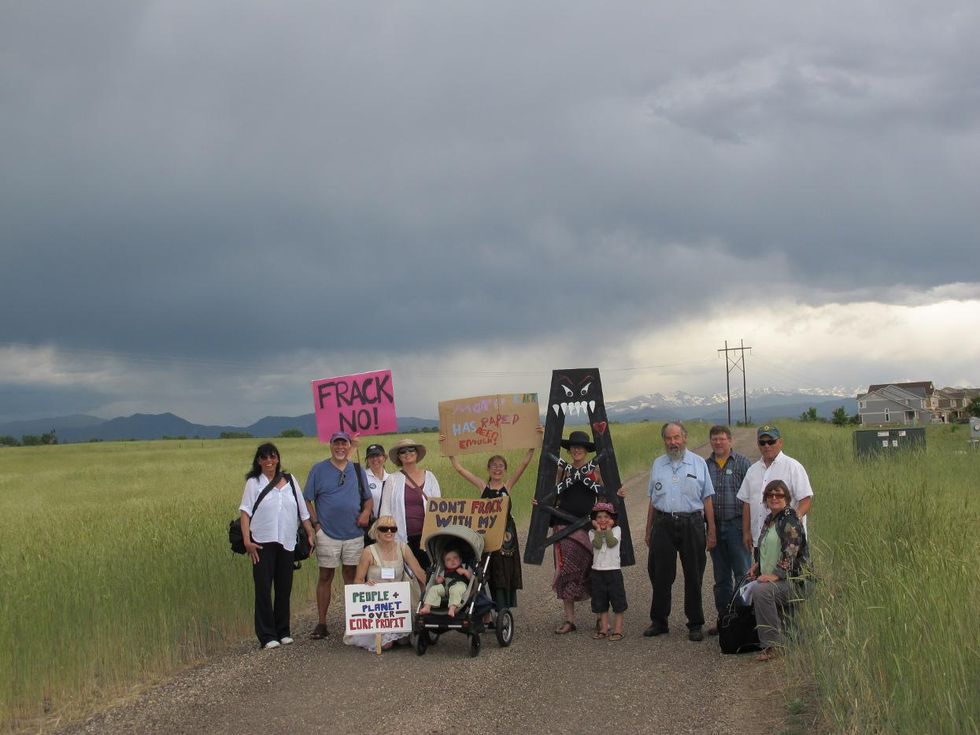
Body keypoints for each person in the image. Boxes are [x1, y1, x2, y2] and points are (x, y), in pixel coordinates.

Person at [543, 430, 625, 635]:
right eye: (573, 447)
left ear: (587, 451)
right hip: (564, 525)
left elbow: (605, 497)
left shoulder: (594, 471)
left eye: (581, 447)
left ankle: (600, 617)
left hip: (589, 526)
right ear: (569, 450)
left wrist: (618, 496)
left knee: (592, 569)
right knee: (564, 570)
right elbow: (551, 493)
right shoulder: (563, 471)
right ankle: (570, 620)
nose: (577, 450)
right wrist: (540, 504)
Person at [644, 421, 716, 642]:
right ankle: (659, 621)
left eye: (676, 437)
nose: (673, 442)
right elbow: (653, 500)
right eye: (668, 438)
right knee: (660, 575)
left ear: (684, 438)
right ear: (664, 440)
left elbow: (707, 498)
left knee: (694, 575)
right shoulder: (658, 464)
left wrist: (711, 530)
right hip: (663, 524)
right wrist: (648, 530)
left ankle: (695, 623)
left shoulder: (698, 463)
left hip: (692, 523)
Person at [238, 442, 315, 649]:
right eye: (264, 458)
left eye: (272, 457)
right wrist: (247, 541)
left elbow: (303, 511)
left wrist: (309, 532)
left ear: (278, 459)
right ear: (259, 461)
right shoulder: (254, 483)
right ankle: (266, 635)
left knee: (284, 587)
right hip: (262, 541)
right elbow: (245, 513)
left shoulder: (290, 480)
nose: (269, 461)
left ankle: (283, 631)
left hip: (287, 540)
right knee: (263, 588)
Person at [446, 441, 538, 611]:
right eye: (494, 466)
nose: (497, 469)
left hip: (506, 536)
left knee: (504, 570)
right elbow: (460, 469)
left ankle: (503, 607)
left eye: (501, 466)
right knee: (486, 569)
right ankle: (485, 607)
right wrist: (451, 453)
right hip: (486, 535)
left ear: (505, 470)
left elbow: (523, 465)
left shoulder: (507, 486)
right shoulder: (483, 486)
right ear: (488, 469)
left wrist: (531, 445)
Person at [304, 431, 372, 639]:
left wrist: (366, 513)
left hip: (353, 533)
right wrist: (316, 525)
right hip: (327, 533)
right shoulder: (319, 469)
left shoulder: (358, 470)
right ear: (330, 445)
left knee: (352, 576)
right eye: (336, 444)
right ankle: (322, 623)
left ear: (349, 446)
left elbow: (368, 499)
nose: (340, 447)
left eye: (344, 444)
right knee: (325, 576)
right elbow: (306, 499)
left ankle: (353, 621)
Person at [746, 480, 810, 661]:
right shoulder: (770, 520)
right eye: (770, 494)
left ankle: (773, 646)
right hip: (782, 579)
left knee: (762, 591)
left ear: (787, 499)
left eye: (779, 495)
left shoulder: (789, 519)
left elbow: (791, 549)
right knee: (756, 585)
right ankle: (788, 638)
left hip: (796, 580)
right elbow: (768, 548)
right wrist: (757, 566)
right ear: (765, 499)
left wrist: (776, 575)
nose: (774, 498)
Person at [345, 515, 428, 651]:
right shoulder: (368, 552)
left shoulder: (403, 548)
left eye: (393, 528)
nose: (389, 532)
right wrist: (364, 587)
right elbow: (358, 579)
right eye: (384, 529)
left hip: (397, 603)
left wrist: (432, 587)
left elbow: (418, 571)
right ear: (377, 531)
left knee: (404, 641)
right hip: (376, 606)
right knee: (385, 644)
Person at [705, 425, 752, 636]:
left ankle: (743, 620)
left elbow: (750, 498)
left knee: (743, 574)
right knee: (721, 578)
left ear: (730, 441)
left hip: (737, 525)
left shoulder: (742, 463)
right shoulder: (705, 465)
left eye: (722, 439)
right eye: (714, 439)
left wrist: (747, 530)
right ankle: (724, 620)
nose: (718, 443)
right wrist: (709, 530)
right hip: (714, 526)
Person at [736, 425, 814, 551]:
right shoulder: (752, 471)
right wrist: (746, 531)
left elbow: (805, 500)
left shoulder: (793, 467)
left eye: (771, 441)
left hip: (787, 542)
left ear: (780, 442)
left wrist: (793, 521)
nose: (767, 446)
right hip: (760, 541)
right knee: (762, 570)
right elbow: (747, 503)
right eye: (762, 442)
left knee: (785, 571)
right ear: (758, 444)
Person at [379, 438, 441, 570]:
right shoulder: (392, 479)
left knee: (428, 573)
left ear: (417, 453)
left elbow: (438, 507)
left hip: (427, 537)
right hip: (401, 537)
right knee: (406, 575)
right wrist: (387, 536)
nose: (407, 453)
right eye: (403, 451)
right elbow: (385, 511)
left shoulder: (429, 477)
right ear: (399, 457)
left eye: (411, 450)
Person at [589, 501, 627, 641]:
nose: (603, 520)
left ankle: (618, 629)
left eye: (606, 516)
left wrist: (608, 529)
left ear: (612, 519)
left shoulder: (617, 530)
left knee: (617, 601)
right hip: (598, 571)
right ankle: (604, 628)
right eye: (599, 517)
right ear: (594, 519)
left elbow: (611, 542)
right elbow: (597, 544)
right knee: (600, 602)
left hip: (613, 570)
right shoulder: (592, 533)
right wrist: (599, 530)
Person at [419, 548, 473, 617]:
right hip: (446, 588)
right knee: (434, 589)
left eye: (455, 558)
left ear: (460, 560)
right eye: (448, 560)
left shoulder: (464, 567)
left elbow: (471, 578)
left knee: (456, 590)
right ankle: (427, 606)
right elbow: (439, 581)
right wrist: (437, 579)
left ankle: (452, 608)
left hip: (460, 585)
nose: (452, 560)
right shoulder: (445, 571)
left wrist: (465, 572)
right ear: (445, 563)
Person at [363, 443, 390, 546]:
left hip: (387, 527)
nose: (375, 459)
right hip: (368, 526)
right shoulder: (362, 477)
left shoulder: (391, 478)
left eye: (378, 456)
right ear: (367, 460)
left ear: (384, 457)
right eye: (371, 457)